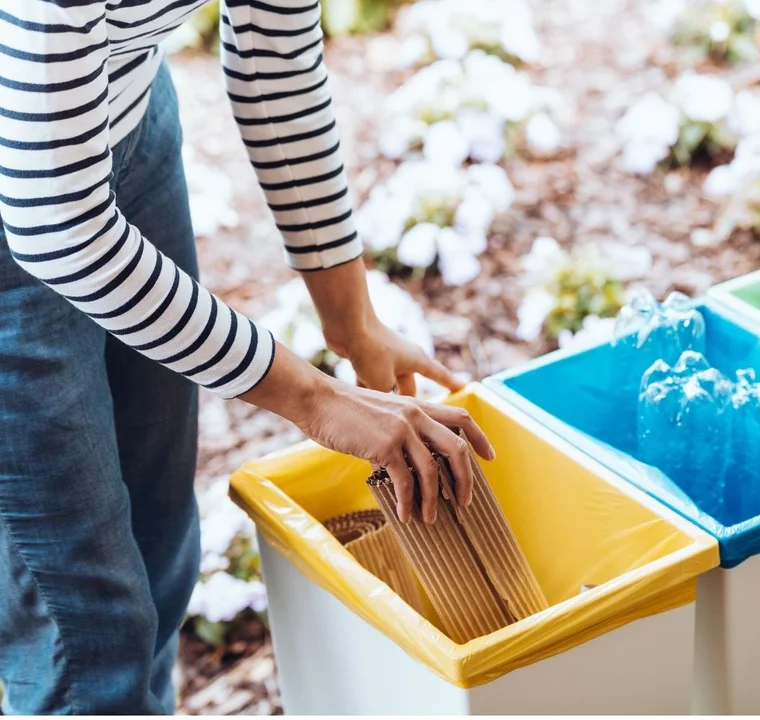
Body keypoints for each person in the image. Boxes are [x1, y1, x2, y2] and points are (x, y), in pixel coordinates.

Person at [0, 0, 495, 713]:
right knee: (86, 634)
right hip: (31, 201)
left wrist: (352, 322)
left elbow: (275, 55)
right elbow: (57, 226)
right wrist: (318, 399)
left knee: (156, 547)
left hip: (123, 116)